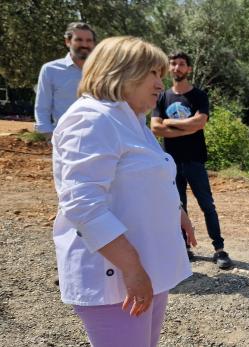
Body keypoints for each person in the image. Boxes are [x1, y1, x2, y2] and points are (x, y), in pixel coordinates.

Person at [51, 36, 197, 347]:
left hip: (146, 268)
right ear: (121, 71)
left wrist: (178, 213)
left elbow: (147, 178)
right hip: (116, 276)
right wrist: (131, 268)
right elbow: (83, 205)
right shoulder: (90, 118)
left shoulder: (132, 121)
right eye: (153, 73)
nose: (162, 83)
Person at [150, 52, 233, 269]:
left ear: (188, 69)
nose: (177, 68)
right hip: (171, 163)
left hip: (195, 161)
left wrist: (170, 124)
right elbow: (155, 127)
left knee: (207, 205)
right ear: (169, 68)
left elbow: (200, 122)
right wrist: (187, 127)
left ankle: (219, 249)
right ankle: (184, 249)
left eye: (182, 64)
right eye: (174, 64)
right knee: (178, 206)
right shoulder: (162, 97)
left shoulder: (198, 96)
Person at [34, 22, 96, 137]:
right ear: (68, 42)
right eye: (79, 40)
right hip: (64, 140)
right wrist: (48, 135)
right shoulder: (50, 70)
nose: (85, 44)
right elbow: (42, 107)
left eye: (89, 40)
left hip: (100, 139)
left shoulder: (103, 71)